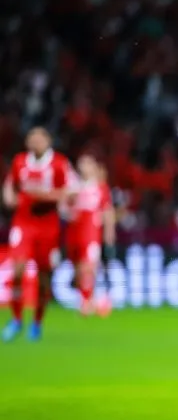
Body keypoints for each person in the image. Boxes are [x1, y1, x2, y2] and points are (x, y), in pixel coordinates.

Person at [2, 127, 74, 342]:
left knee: (44, 278)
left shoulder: (59, 163)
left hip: (48, 225)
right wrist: (8, 197)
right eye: (32, 138)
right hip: (24, 222)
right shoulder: (20, 162)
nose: (36, 142)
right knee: (18, 269)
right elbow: (10, 185)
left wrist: (44, 196)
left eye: (40, 138)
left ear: (48, 141)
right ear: (27, 142)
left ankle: (37, 322)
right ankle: (16, 320)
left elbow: (70, 191)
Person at [64, 154, 115, 317]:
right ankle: (89, 299)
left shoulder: (100, 188)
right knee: (78, 269)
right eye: (82, 163)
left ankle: (87, 303)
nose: (84, 167)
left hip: (91, 232)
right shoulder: (73, 187)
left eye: (87, 163)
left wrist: (109, 232)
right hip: (74, 232)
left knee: (89, 266)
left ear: (94, 167)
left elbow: (107, 211)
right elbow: (65, 210)